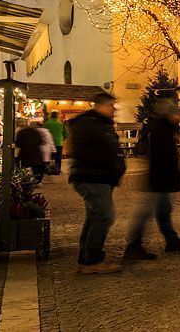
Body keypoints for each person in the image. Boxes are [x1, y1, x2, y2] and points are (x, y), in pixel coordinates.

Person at [124, 99, 180, 260]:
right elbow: (163, 157)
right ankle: (134, 246)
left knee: (163, 211)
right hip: (159, 179)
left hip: (160, 178)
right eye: (178, 113)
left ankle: (172, 240)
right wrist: (174, 177)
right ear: (170, 114)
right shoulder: (161, 129)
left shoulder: (163, 128)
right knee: (147, 213)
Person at [69, 93, 126, 274]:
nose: (114, 109)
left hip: (99, 178)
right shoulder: (90, 125)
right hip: (93, 177)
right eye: (111, 105)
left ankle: (85, 260)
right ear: (100, 106)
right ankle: (92, 260)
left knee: (95, 217)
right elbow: (95, 152)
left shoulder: (100, 124)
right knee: (105, 215)